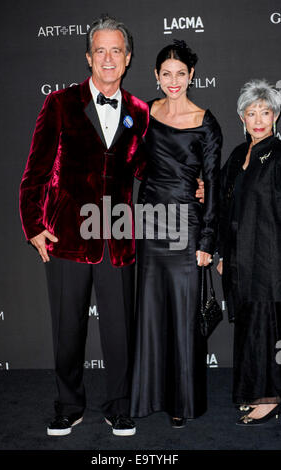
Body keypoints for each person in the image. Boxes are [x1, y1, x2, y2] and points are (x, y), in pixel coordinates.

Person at [19, 15, 150, 437]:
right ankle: (69, 405)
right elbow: (35, 172)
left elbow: (149, 171)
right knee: (67, 330)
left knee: (120, 333)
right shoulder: (59, 103)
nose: (108, 58)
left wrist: (193, 185)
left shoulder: (139, 111)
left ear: (127, 59)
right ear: (88, 57)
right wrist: (33, 226)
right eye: (100, 50)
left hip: (118, 239)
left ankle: (120, 406)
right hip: (67, 239)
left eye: (116, 50)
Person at [131, 40, 222, 427]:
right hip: (150, 221)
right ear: (156, 76)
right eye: (166, 74)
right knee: (151, 312)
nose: (173, 81)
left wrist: (207, 241)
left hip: (187, 225)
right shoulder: (145, 113)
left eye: (180, 74)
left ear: (191, 76)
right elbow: (128, 161)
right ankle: (147, 396)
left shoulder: (206, 122)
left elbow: (215, 186)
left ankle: (181, 402)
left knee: (184, 317)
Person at [217, 79, 281, 425]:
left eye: (265, 112)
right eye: (251, 112)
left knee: (266, 328)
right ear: (242, 117)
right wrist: (222, 254)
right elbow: (226, 208)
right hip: (239, 259)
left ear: (275, 116)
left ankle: (269, 398)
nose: (258, 119)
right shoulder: (237, 155)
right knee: (247, 326)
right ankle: (251, 391)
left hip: (269, 258)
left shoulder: (279, 155)